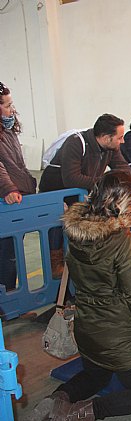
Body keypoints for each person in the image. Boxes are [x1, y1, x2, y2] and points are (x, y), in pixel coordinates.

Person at [24, 171, 131, 421]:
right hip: (120, 334)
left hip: (87, 328)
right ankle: (79, 413)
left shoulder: (75, 231)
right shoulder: (125, 241)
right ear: (124, 202)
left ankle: (55, 400)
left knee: (96, 376)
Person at [39, 113, 131, 278]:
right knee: (56, 229)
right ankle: (56, 266)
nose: (122, 141)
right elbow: (71, 178)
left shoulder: (111, 147)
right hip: (54, 194)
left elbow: (124, 169)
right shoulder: (75, 143)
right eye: (120, 137)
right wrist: (105, 182)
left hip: (80, 194)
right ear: (105, 137)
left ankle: (82, 264)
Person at [0, 81, 37, 291]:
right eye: (6, 105)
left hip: (19, 196)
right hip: (7, 198)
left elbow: (17, 164)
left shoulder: (9, 132)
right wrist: (8, 189)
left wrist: (28, 185)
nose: (12, 110)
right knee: (6, 254)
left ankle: (11, 300)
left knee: (12, 252)